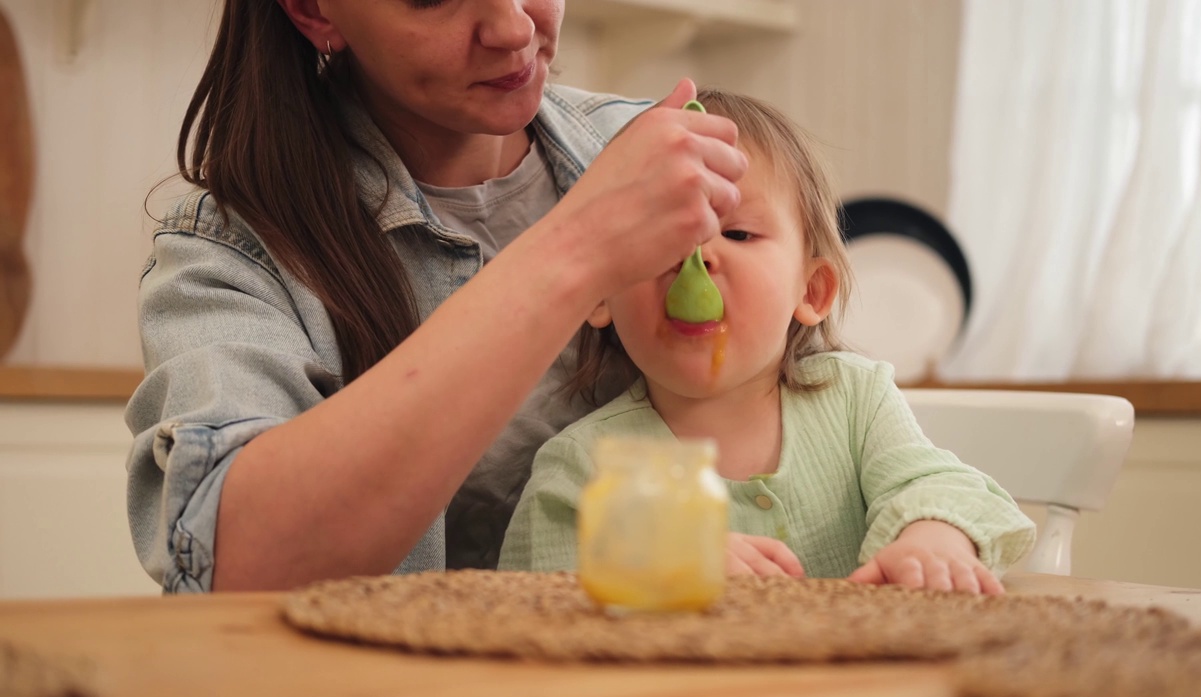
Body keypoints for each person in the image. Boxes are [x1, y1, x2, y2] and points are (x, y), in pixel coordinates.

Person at [125, 0, 751, 593]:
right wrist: (575, 248)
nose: (511, 27)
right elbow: (229, 562)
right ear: (315, 10)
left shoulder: (667, 150)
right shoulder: (230, 253)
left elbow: (820, 406)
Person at [499, 89, 1037, 593]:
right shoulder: (583, 465)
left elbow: (937, 484)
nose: (700, 258)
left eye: (738, 234)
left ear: (813, 290)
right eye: (663, 235)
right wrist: (667, 563)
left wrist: (931, 537)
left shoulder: (855, 400)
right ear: (599, 292)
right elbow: (538, 595)